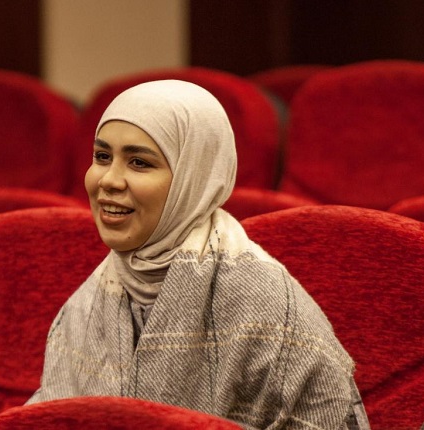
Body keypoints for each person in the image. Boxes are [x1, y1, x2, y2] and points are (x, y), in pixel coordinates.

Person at [27, 80, 369, 429]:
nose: (108, 180)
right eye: (102, 157)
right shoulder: (94, 295)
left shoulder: (264, 300)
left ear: (194, 175)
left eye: (139, 162)